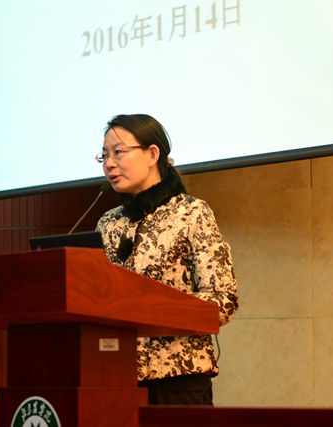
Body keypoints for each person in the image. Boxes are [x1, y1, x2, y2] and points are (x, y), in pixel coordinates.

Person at [95, 114, 239, 406]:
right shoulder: (107, 224)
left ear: (152, 154)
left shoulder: (191, 213)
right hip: (115, 380)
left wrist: (153, 309)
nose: (109, 163)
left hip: (178, 383)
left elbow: (223, 301)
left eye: (118, 152)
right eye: (104, 155)